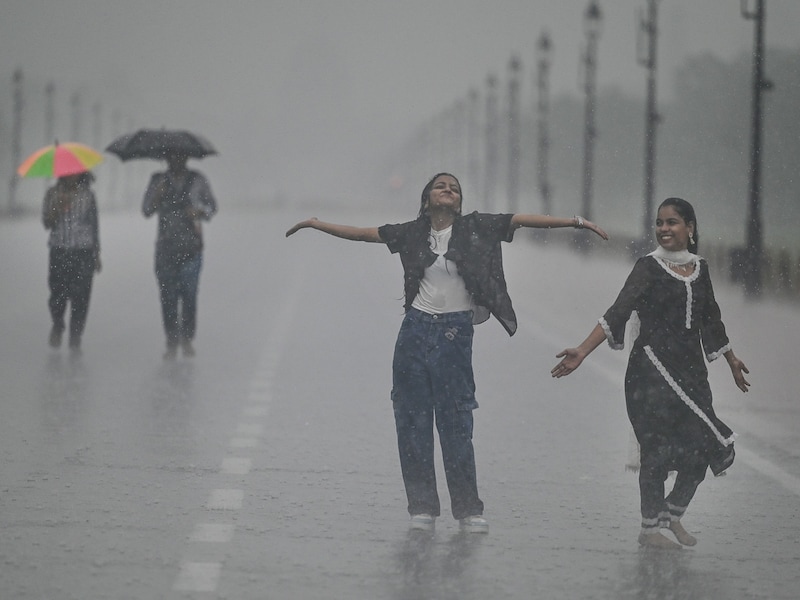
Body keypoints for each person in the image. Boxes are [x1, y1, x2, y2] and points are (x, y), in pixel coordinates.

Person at [286, 172, 608, 533]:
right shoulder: (410, 233)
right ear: (427, 198)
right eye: (441, 186)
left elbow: (522, 219)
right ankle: (421, 508)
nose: (448, 190)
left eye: (454, 188)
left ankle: (469, 510)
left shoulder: (477, 227)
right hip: (414, 331)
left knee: (456, 422)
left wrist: (576, 222)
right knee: (411, 422)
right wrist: (316, 224)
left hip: (455, 333)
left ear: (459, 201)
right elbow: (363, 233)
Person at [551, 197, 750, 549]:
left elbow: (711, 319)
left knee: (701, 446)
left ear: (690, 228)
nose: (664, 229)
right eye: (659, 223)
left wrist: (731, 359)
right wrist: (582, 350)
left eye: (672, 222)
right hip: (651, 370)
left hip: (692, 373)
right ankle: (650, 530)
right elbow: (618, 311)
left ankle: (672, 514)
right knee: (656, 451)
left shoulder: (701, 269)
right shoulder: (648, 267)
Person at [142, 152, 217, 359]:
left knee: (189, 296)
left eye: (180, 157)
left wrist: (199, 211)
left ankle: (187, 339)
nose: (176, 161)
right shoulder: (157, 180)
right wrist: (157, 195)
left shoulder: (198, 180)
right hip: (165, 249)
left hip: (191, 248)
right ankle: (171, 341)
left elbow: (212, 206)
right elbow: (146, 210)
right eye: (172, 157)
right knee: (168, 298)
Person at [42, 171, 101, 353]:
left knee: (81, 298)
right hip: (59, 250)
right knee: (57, 294)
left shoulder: (89, 195)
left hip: (83, 252)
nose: (71, 176)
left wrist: (97, 254)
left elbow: (94, 226)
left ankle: (76, 337)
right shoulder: (52, 193)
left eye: (75, 173)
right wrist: (57, 207)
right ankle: (58, 325)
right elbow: (47, 223)